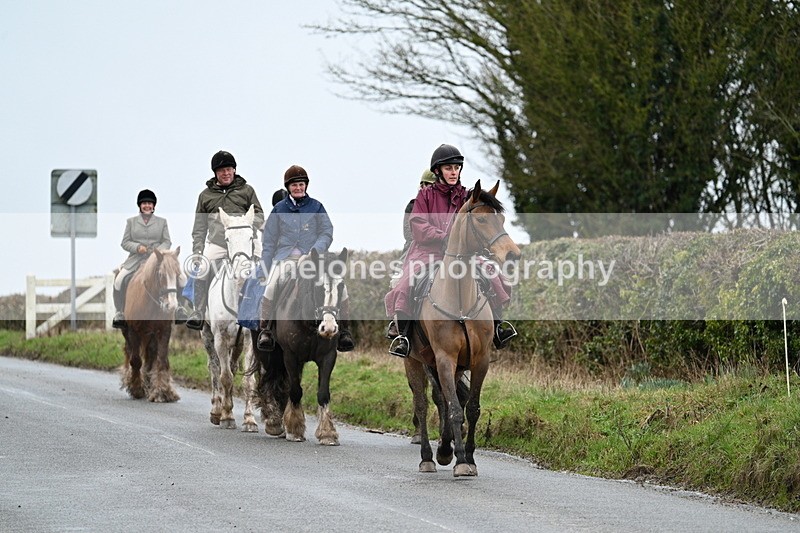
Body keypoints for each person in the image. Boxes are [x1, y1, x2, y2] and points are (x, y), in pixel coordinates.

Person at [384, 144, 517, 357]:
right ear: (438, 171)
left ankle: (499, 326)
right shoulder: (425, 196)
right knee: (404, 284)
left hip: (462, 255)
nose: (453, 172)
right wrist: (443, 237)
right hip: (428, 252)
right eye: (448, 168)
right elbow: (418, 224)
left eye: (456, 168)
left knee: (494, 276)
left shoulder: (468, 196)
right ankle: (404, 337)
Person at [256, 165, 355, 352]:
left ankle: (344, 332)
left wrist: (314, 251)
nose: (298, 188)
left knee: (339, 285)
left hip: (314, 259)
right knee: (272, 285)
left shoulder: (317, 206)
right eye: (295, 185)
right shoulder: (278, 209)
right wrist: (265, 268)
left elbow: (327, 232)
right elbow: (269, 242)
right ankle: (266, 330)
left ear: (306, 185)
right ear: (288, 187)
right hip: (286, 259)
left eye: (301, 184)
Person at [185, 150, 264, 330]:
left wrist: (244, 223)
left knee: (263, 268)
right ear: (215, 173)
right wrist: (197, 250)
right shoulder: (205, 196)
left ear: (234, 170)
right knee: (202, 268)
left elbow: (260, 215)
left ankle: (263, 314)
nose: (226, 173)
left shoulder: (247, 190)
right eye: (221, 170)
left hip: (246, 243)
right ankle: (198, 310)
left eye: (229, 169)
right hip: (218, 244)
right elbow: (199, 228)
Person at [112, 189, 188, 328]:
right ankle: (119, 312)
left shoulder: (162, 222)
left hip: (158, 259)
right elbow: (125, 242)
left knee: (182, 278)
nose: (147, 206)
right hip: (136, 259)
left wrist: (157, 251)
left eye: (150, 203)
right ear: (140, 205)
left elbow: (167, 241)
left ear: (154, 206)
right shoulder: (131, 222)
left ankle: (179, 308)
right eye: (144, 203)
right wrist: (137, 247)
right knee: (119, 280)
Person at [399, 169, 437, 263]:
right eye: (429, 185)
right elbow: (409, 234)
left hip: (441, 250)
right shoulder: (412, 206)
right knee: (398, 276)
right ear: (422, 185)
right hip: (415, 250)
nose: (432, 189)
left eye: (435, 186)